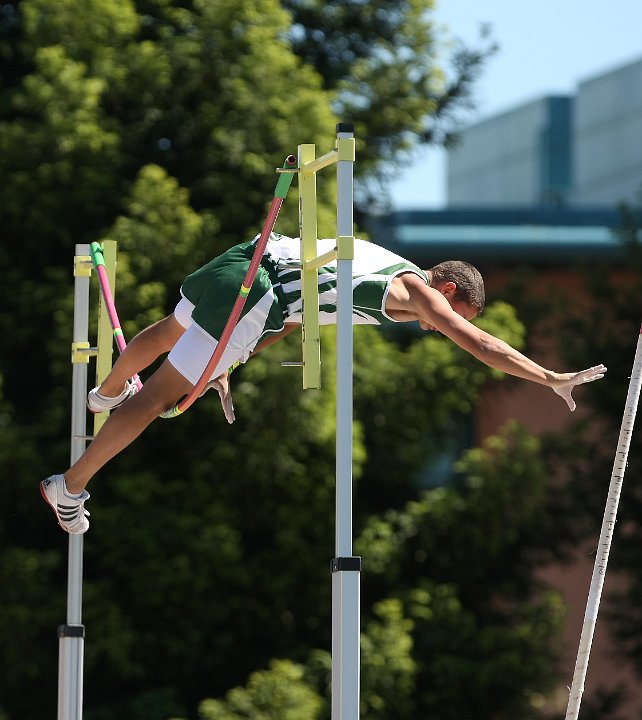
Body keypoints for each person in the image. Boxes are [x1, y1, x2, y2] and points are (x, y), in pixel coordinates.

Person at [40, 233, 607, 534]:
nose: (441, 329)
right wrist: (548, 376)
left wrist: (227, 364)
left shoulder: (377, 260)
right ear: (451, 293)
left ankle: (108, 389)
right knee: (161, 397)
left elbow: (292, 319)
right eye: (452, 316)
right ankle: (69, 485)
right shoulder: (418, 292)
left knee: (171, 329)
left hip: (247, 260)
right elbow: (481, 346)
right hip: (261, 293)